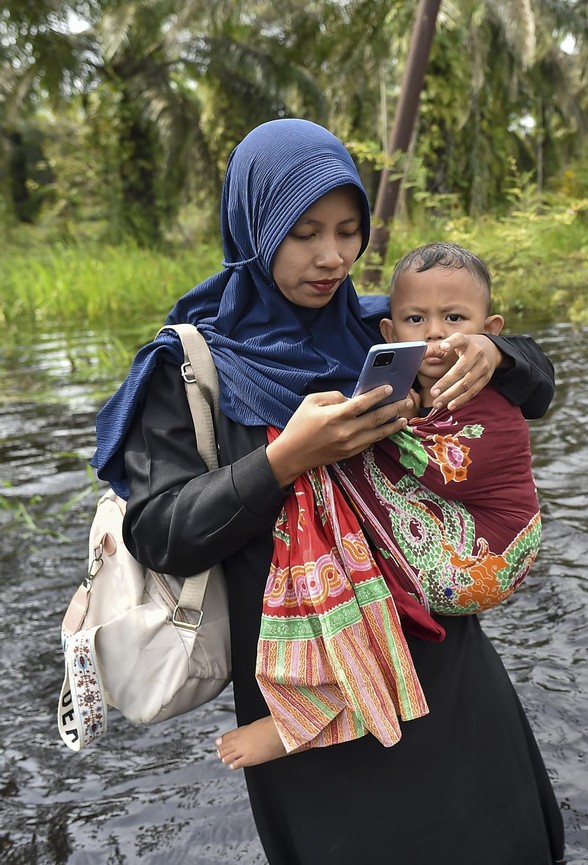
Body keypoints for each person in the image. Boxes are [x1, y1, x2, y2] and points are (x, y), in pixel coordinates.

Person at [91, 119, 565, 865]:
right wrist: (283, 461)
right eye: (303, 232)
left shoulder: (382, 329)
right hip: (310, 689)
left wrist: (494, 351)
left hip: (442, 667)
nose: (332, 256)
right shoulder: (188, 366)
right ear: (254, 226)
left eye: (349, 231)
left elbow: (534, 389)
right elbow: (159, 530)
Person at [216, 240, 542, 769]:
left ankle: (321, 706)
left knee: (332, 493)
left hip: (493, 555)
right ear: (388, 334)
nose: (436, 333)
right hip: (463, 545)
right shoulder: (405, 371)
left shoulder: (492, 398)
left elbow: (451, 466)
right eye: (416, 319)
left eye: (456, 318)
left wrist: (341, 437)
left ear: (490, 333)